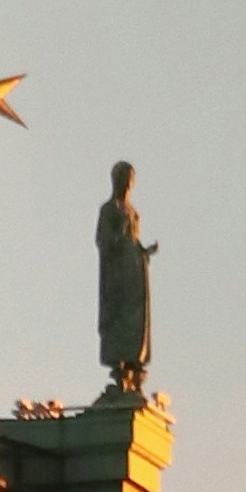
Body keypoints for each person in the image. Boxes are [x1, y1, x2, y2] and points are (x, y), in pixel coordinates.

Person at [95, 161, 156, 392]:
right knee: (118, 314)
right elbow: (103, 240)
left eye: (130, 181)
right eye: (124, 180)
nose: (127, 185)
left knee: (136, 317)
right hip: (117, 273)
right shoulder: (109, 210)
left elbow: (134, 239)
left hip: (134, 271)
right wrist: (122, 242)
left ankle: (135, 364)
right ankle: (119, 366)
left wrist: (142, 250)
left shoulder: (132, 212)